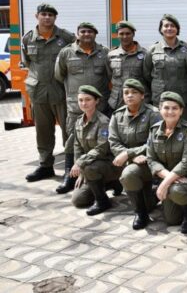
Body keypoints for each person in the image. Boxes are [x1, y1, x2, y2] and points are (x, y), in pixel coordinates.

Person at [54, 22, 111, 194]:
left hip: (99, 108)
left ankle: (99, 176)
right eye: (83, 31)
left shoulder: (104, 53)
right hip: (75, 107)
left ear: (95, 34)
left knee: (100, 142)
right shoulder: (66, 53)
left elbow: (110, 76)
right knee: (72, 141)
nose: (86, 34)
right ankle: (68, 176)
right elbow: (59, 75)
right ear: (77, 34)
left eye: (90, 31)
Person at [22, 3, 75, 183]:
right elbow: (28, 63)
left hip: (60, 90)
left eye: (51, 15)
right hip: (38, 91)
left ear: (55, 18)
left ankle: (70, 166)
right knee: (42, 130)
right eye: (44, 14)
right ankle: (45, 166)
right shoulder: (28, 39)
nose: (47, 17)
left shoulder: (66, 37)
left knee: (69, 130)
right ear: (36, 16)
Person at [147, 91, 187, 233]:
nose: (170, 111)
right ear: (160, 109)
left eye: (175, 108)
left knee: (178, 190)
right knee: (172, 220)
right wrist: (169, 178)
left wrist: (164, 184)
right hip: (172, 176)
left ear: (181, 111)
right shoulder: (154, 130)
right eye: (166, 108)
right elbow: (151, 159)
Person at [110, 79, 161, 230]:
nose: (129, 96)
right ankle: (141, 211)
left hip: (150, 161)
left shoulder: (153, 114)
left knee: (129, 175)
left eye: (134, 93)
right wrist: (131, 157)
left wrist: (129, 153)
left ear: (142, 96)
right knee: (129, 173)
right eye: (126, 93)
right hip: (130, 162)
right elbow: (113, 143)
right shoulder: (117, 116)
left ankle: (144, 207)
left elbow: (155, 143)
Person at [69, 85, 120, 216]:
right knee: (78, 200)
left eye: (88, 99)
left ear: (96, 101)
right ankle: (111, 184)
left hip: (108, 165)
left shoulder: (103, 122)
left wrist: (81, 164)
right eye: (80, 100)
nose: (84, 103)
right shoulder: (79, 121)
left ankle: (102, 201)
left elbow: (101, 149)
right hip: (90, 166)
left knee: (90, 169)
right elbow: (77, 146)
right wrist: (81, 171)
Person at [143, 14, 187, 121]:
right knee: (161, 129)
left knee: (184, 129)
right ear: (161, 29)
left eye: (173, 26)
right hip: (161, 99)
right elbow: (147, 74)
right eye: (166, 26)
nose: (169, 28)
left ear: (177, 29)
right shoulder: (152, 50)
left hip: (183, 99)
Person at [107, 21, 150, 110]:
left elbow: (149, 79)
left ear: (133, 34)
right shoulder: (111, 55)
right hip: (117, 103)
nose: (125, 36)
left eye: (128, 33)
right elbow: (108, 77)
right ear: (117, 35)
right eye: (121, 34)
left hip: (139, 103)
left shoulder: (145, 55)